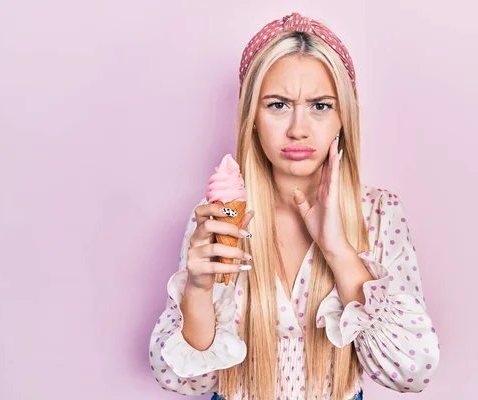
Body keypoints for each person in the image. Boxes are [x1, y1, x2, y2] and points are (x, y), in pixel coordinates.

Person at [149, 12, 440, 400]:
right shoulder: (221, 219)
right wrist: (199, 289)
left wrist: (337, 249)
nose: (298, 128)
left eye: (320, 106)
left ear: (343, 118)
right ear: (251, 116)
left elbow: (412, 372)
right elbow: (184, 381)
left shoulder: (379, 212)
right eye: (277, 105)